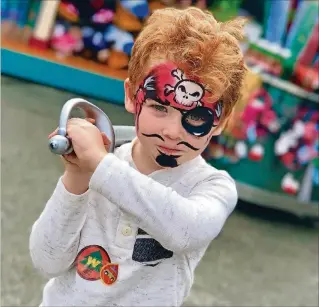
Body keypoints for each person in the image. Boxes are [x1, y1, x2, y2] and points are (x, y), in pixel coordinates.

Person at [29, 6, 247, 307]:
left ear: (220, 122)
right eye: (159, 107)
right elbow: (47, 261)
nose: (172, 132)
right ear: (132, 96)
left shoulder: (213, 187)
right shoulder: (101, 164)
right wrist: (77, 178)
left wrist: (100, 166)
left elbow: (185, 230)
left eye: (196, 117)